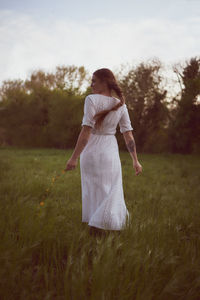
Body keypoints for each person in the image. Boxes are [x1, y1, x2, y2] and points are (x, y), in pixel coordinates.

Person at [64, 68, 142, 234]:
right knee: (111, 190)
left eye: (94, 81)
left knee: (93, 190)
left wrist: (73, 158)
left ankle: (97, 228)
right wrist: (135, 160)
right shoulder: (120, 105)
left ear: (104, 82)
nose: (91, 85)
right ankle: (106, 228)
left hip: (91, 151)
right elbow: (128, 135)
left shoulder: (91, 99)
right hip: (110, 152)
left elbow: (86, 132)